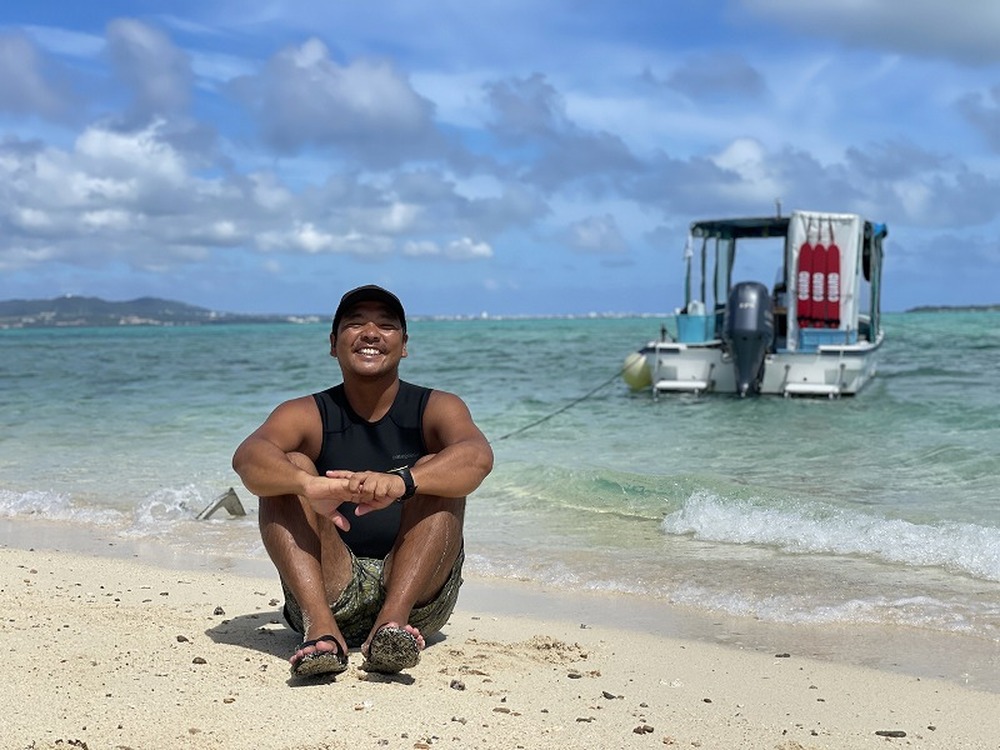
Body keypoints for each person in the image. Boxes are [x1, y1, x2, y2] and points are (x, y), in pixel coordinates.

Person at [232, 285, 494, 678]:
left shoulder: (437, 407)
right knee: (289, 467)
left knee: (438, 467)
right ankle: (321, 629)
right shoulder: (307, 413)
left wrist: (403, 482)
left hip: (418, 602)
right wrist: (309, 485)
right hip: (328, 590)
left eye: (386, 325)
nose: (370, 333)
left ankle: (391, 625)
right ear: (333, 344)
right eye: (355, 324)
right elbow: (248, 458)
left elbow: (477, 458)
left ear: (404, 346)